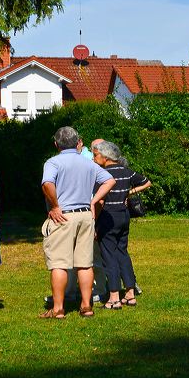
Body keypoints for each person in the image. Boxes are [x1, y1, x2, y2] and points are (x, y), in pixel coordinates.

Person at [39, 126, 116, 318]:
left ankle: (58, 309)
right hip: (84, 215)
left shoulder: (53, 162)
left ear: (56, 144)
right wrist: (93, 201)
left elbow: (47, 183)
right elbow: (109, 180)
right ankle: (86, 305)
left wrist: (55, 206)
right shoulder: (88, 163)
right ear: (78, 142)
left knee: (59, 263)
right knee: (85, 263)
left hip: (63, 215)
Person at [92, 140, 151, 309]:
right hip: (124, 216)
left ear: (105, 156)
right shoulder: (126, 171)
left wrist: (94, 223)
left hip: (108, 216)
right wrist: (129, 193)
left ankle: (114, 297)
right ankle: (130, 294)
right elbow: (147, 182)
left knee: (108, 256)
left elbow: (100, 201)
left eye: (96, 155)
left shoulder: (102, 175)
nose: (95, 158)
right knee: (122, 253)